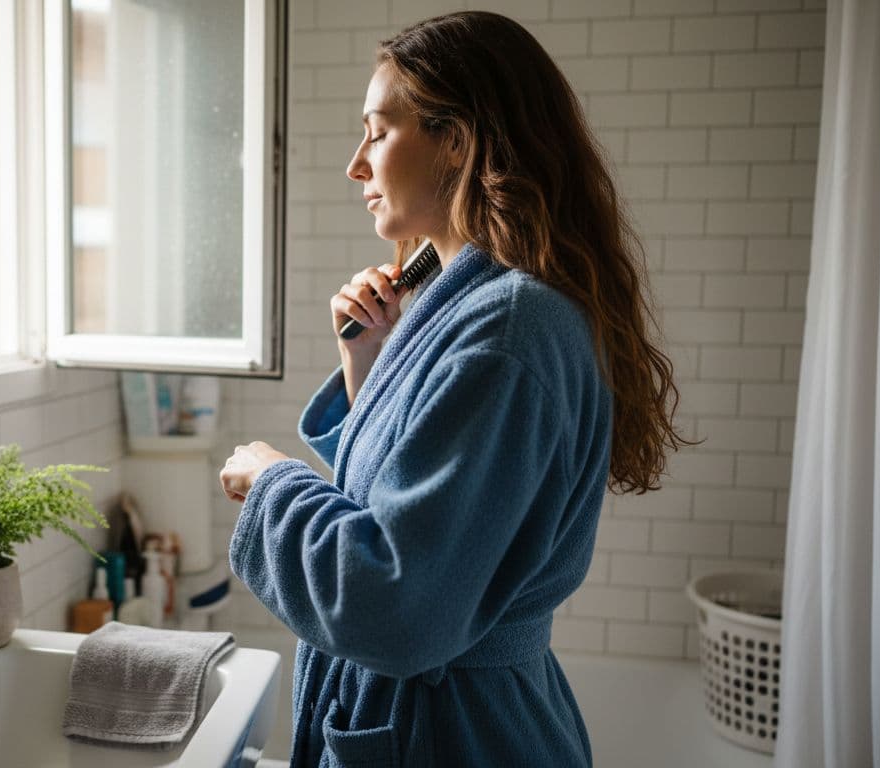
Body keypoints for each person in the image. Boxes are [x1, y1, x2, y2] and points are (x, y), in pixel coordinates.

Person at [219, 12, 687, 766]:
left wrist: (276, 481)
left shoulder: (506, 328)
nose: (356, 165)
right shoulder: (478, 306)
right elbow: (429, 507)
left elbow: (400, 605)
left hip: (450, 733)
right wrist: (370, 363)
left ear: (457, 141)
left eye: (376, 131)